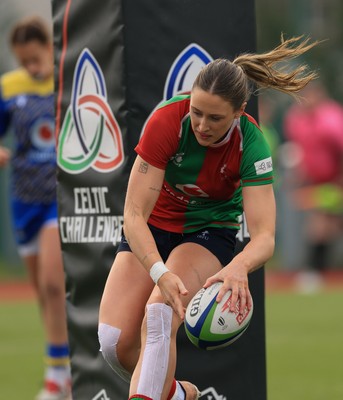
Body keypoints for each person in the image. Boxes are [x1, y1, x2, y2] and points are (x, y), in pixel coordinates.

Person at [98, 36, 318, 400]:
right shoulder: (167, 120)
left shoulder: (252, 142)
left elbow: (264, 237)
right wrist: (159, 271)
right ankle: (181, 395)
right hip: (153, 228)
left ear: (239, 111)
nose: (202, 124)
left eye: (215, 117)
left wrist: (239, 266)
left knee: (159, 315)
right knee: (114, 343)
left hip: (206, 233)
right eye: (197, 112)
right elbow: (134, 215)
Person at [0, 16, 71, 400]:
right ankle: (62, 367)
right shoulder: (9, 87)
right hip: (22, 199)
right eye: (23, 60)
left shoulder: (68, 75)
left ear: (49, 46)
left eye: (36, 57)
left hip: (58, 198)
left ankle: (57, 376)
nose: (31, 66)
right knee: (43, 294)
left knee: (52, 279)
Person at [283, 80, 343, 288]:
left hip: (335, 181)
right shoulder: (296, 119)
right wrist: (297, 176)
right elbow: (303, 153)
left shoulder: (332, 118)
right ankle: (318, 273)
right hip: (317, 183)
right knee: (321, 225)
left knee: (322, 226)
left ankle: (315, 273)